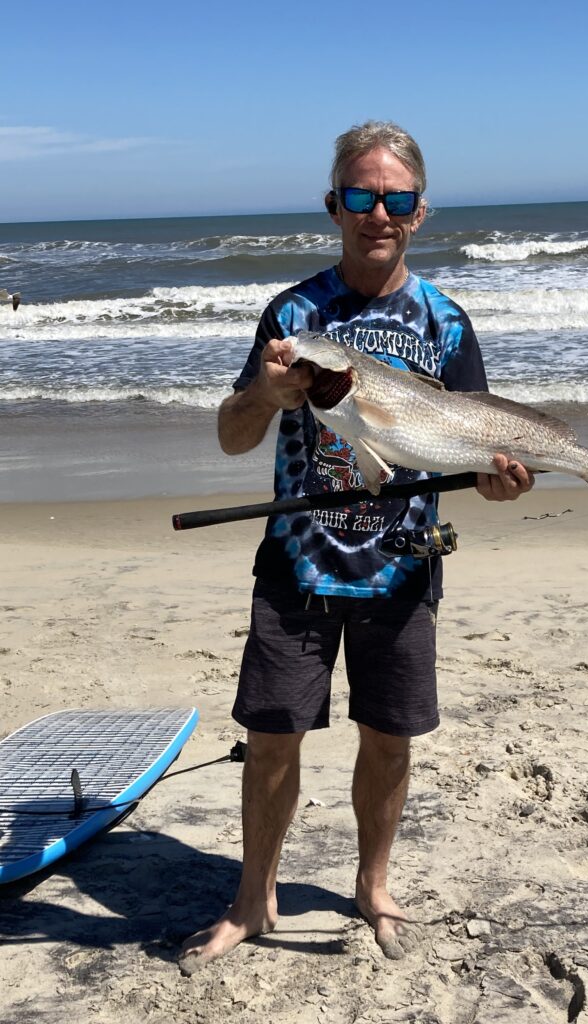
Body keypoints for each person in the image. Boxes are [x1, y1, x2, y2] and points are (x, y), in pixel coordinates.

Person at [179, 121, 533, 973]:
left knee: (388, 737)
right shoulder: (293, 317)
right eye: (363, 196)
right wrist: (266, 395)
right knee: (272, 737)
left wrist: (496, 479)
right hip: (296, 565)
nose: (380, 212)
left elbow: (473, 442)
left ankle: (374, 886)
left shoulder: (446, 322)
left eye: (397, 197)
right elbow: (231, 437)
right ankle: (253, 899)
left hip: (403, 567)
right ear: (334, 206)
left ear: (420, 211)